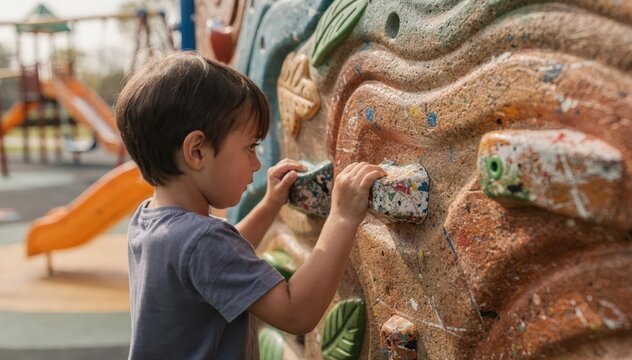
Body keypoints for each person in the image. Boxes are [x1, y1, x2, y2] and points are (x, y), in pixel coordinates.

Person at [115, 51, 386, 359]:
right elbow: (297, 313)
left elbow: (221, 259)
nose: (256, 163)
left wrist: (271, 203)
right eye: (250, 147)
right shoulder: (203, 242)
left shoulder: (148, 223)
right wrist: (342, 216)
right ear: (197, 152)